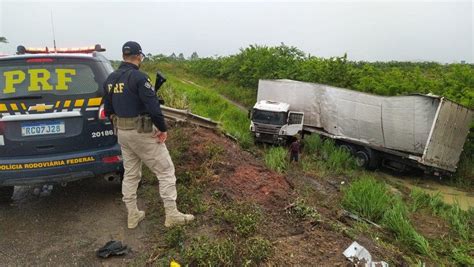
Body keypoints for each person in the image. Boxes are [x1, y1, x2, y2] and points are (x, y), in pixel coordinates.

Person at [103, 41, 194, 229]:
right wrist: (162, 128)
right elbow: (154, 108)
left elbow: (109, 110)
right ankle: (172, 215)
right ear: (139, 56)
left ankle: (132, 215)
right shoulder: (139, 77)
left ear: (123, 56)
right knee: (166, 171)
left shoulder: (110, 79)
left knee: (130, 174)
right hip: (142, 132)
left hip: (123, 133)